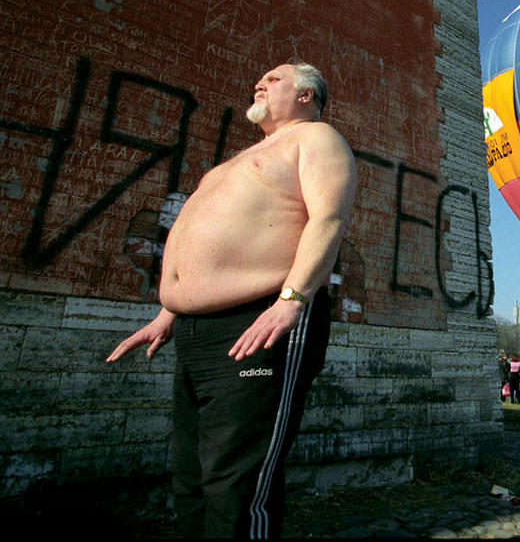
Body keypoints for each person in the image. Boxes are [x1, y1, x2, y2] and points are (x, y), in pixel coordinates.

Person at [106, 62, 357, 539]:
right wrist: (168, 311)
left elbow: (328, 220)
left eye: (274, 78)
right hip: (195, 330)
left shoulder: (316, 138)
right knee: (192, 478)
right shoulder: (247, 155)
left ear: (306, 95)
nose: (260, 83)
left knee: (237, 485)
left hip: (262, 319)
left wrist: (292, 300)